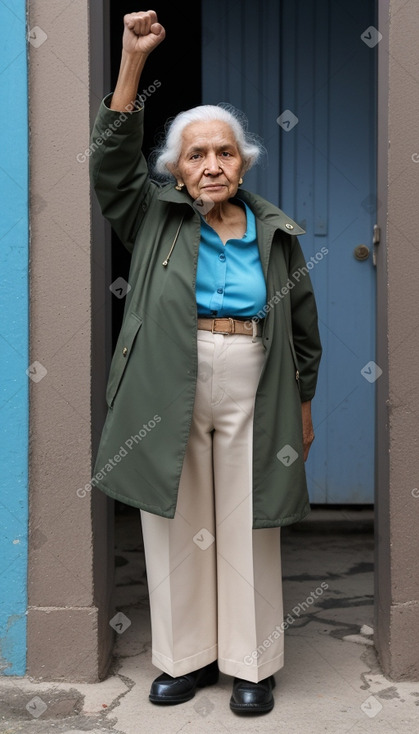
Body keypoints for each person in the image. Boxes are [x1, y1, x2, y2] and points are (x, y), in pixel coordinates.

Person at [90, 10, 322, 716]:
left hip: (254, 377)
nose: (212, 163)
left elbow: (304, 329)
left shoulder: (275, 232)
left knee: (249, 519)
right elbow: (108, 163)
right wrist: (132, 65)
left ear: (243, 161)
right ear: (176, 171)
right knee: (176, 515)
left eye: (224, 151)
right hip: (173, 376)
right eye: (196, 155)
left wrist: (304, 402)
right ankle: (184, 660)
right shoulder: (150, 214)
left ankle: (252, 665)